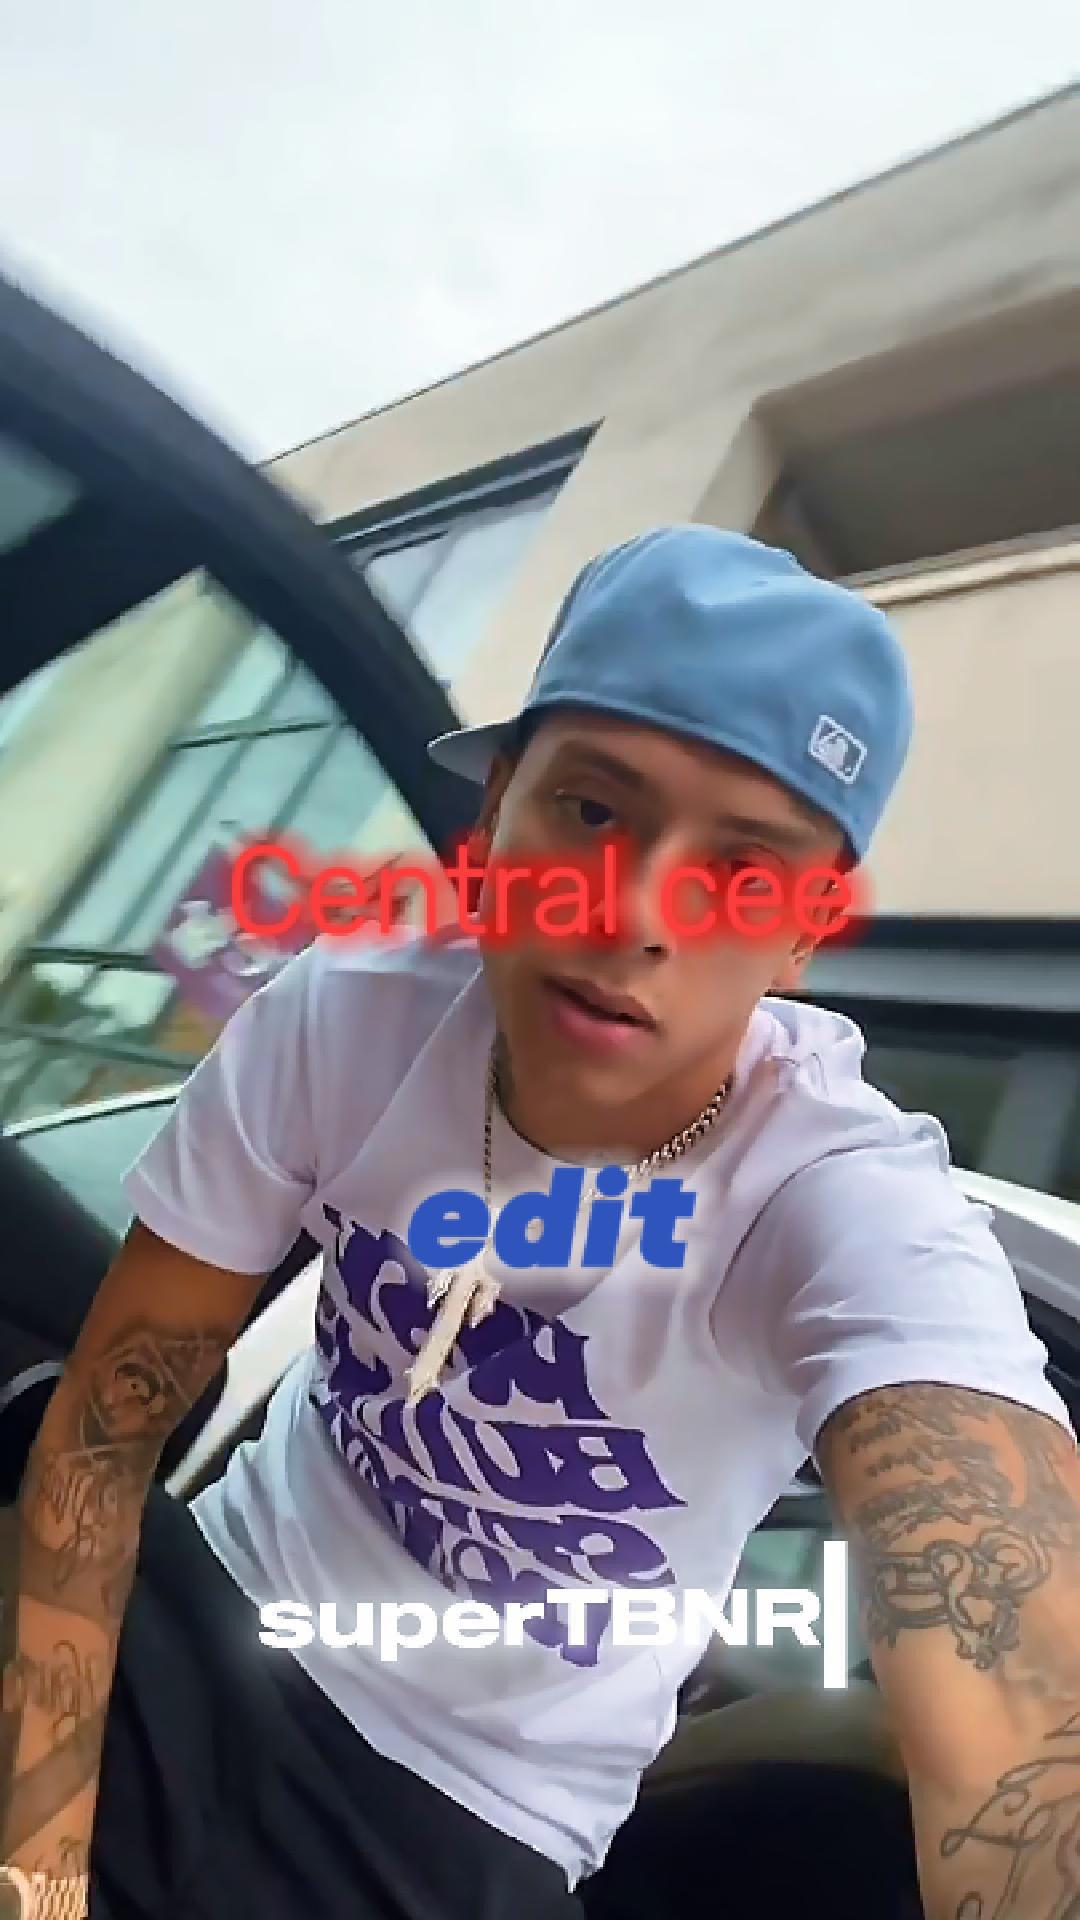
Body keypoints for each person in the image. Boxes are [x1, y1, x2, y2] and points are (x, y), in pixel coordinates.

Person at [2, 526, 1078, 1920]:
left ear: (807, 927)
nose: (634, 914)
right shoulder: (343, 1023)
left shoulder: (837, 1203)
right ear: (496, 810)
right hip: (204, 1606)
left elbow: (1018, 1690)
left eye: (741, 872)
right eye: (592, 809)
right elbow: (101, 1440)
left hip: (469, 1818)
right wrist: (37, 1859)